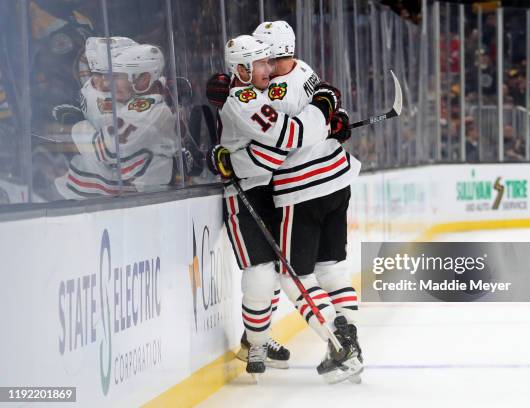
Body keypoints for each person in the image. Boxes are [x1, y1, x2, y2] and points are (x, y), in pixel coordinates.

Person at [208, 23, 363, 384]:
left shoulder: (270, 88)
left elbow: (284, 142)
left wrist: (325, 113)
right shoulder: (298, 73)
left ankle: (339, 344)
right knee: (287, 273)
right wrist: (326, 111)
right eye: (259, 63)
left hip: (293, 187)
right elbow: (286, 135)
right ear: (243, 68)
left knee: (293, 273)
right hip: (295, 184)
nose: (267, 69)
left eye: (268, 60)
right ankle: (268, 343)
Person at [54, 41, 179, 198]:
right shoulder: (141, 106)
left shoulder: (147, 113)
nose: (109, 83)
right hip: (132, 201)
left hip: (140, 204)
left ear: (144, 79)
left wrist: (76, 125)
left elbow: (104, 149)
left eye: (119, 76)